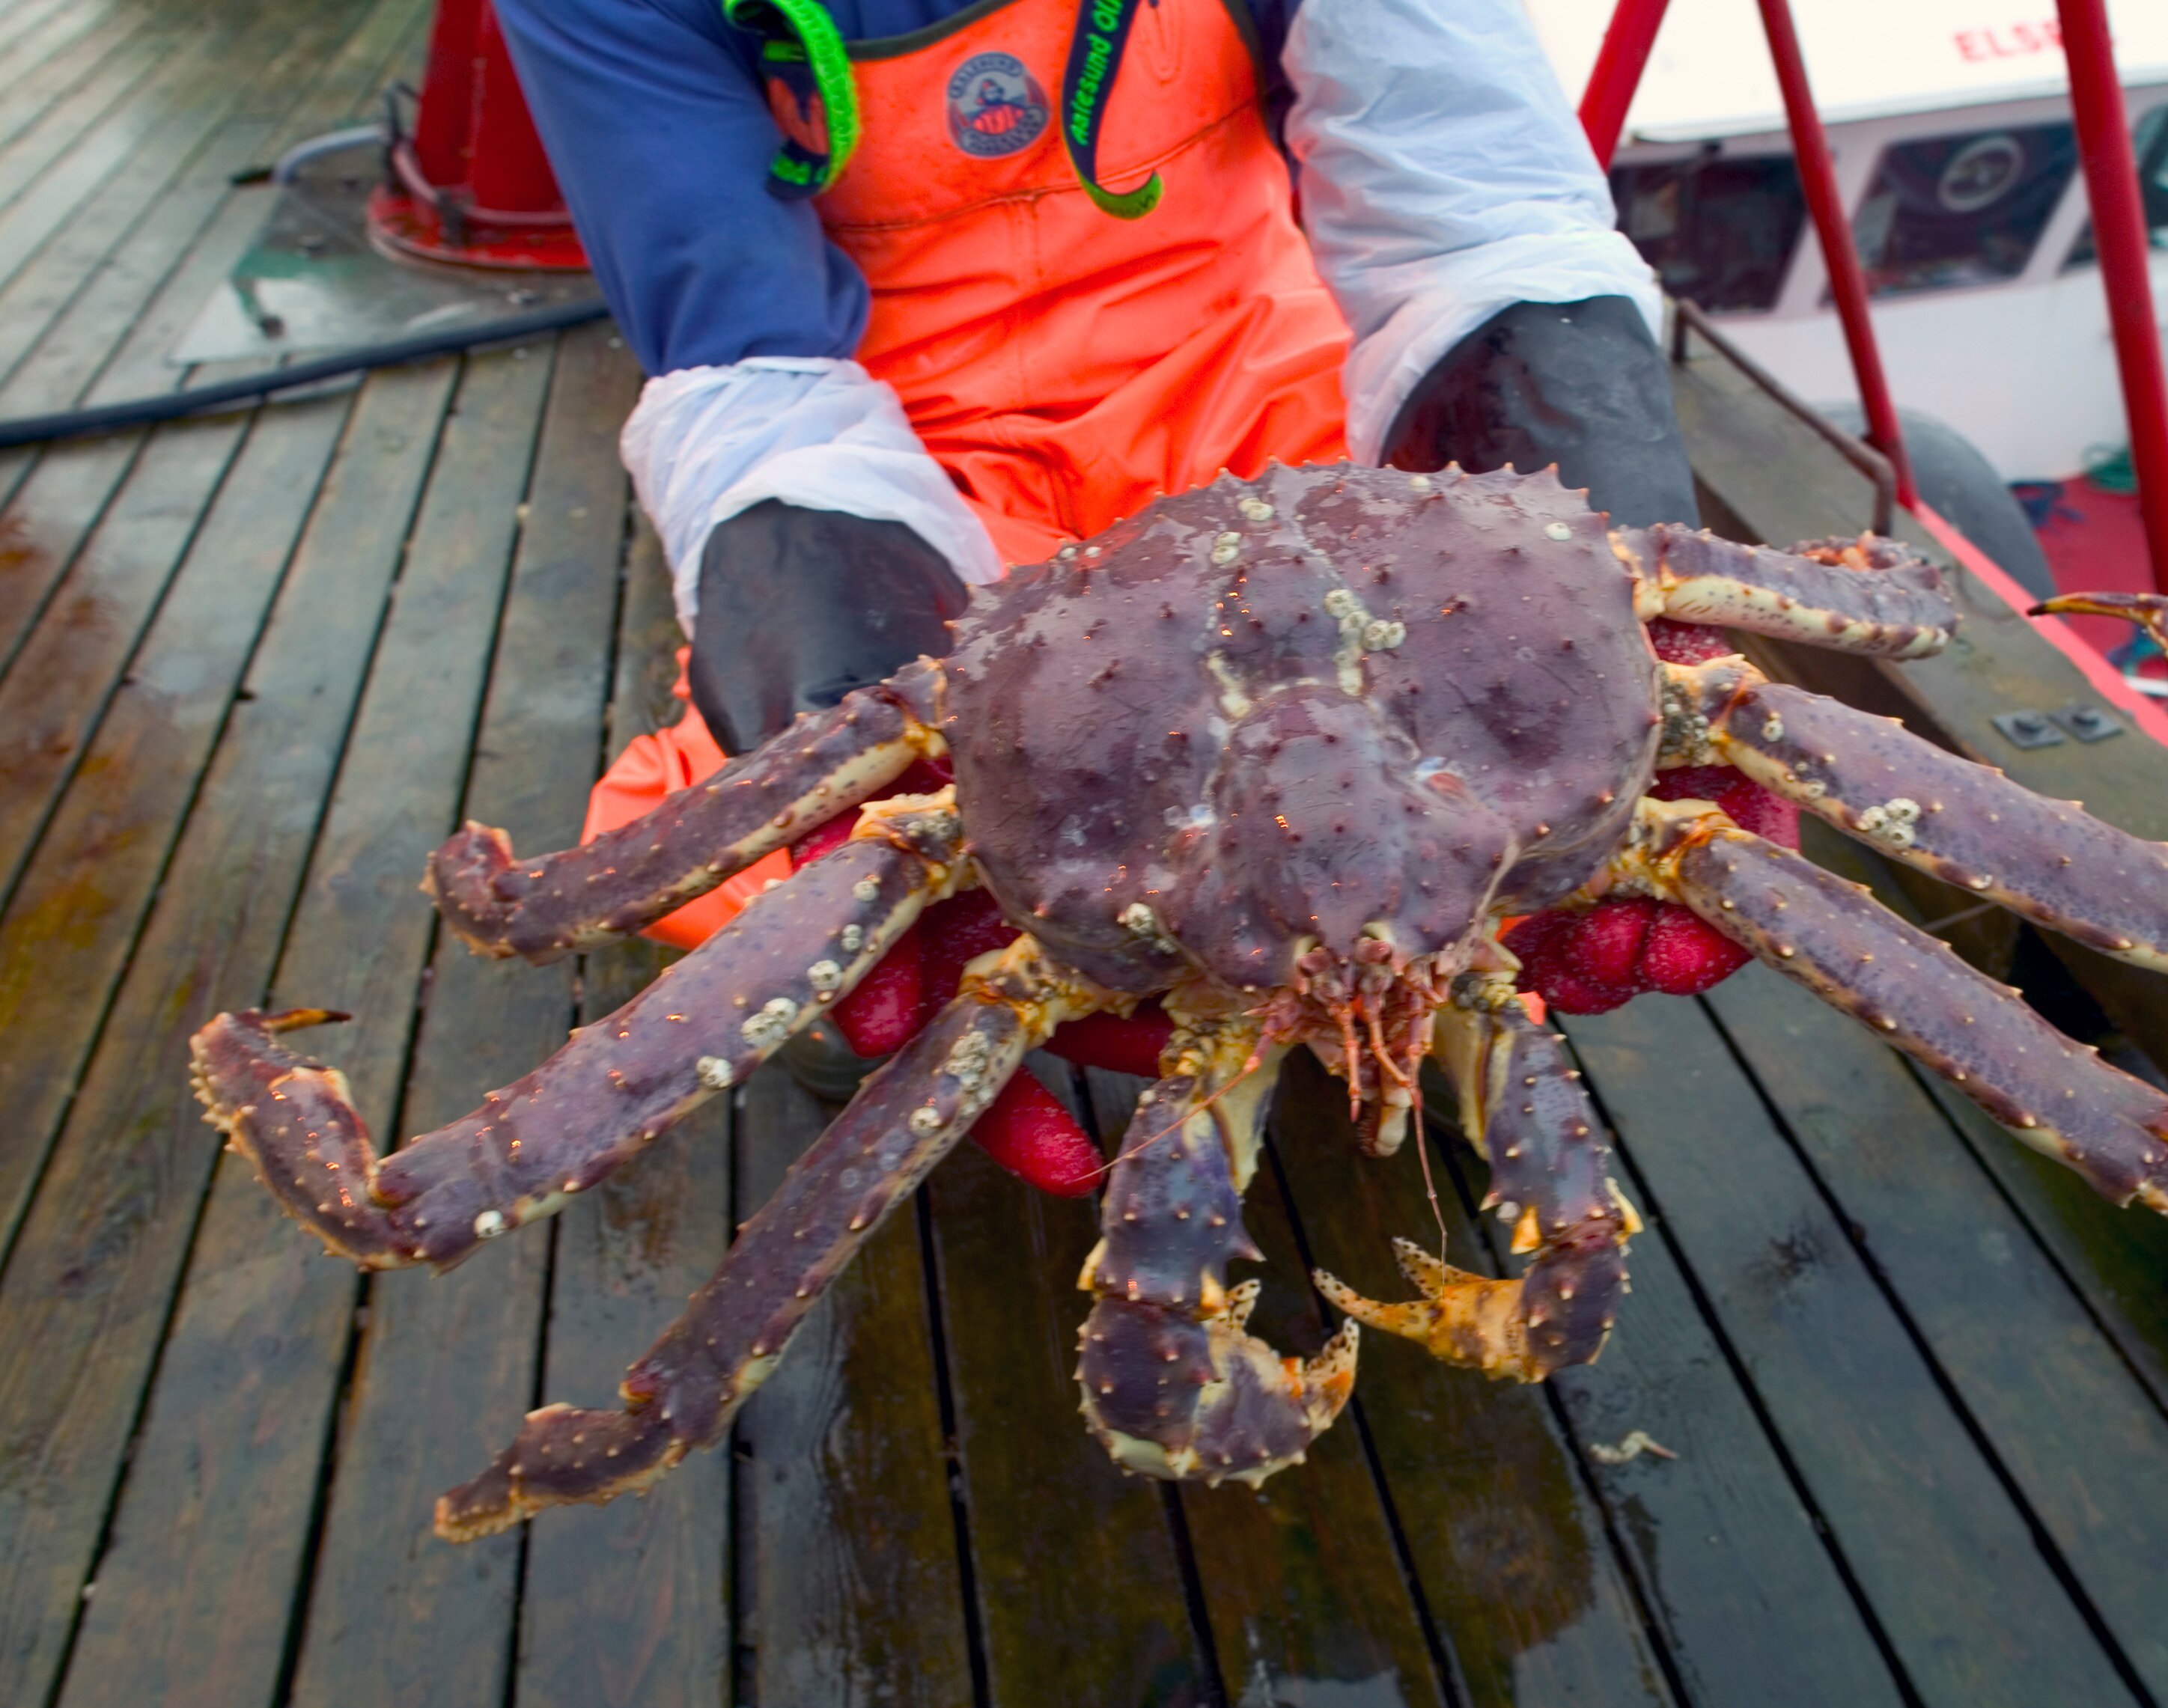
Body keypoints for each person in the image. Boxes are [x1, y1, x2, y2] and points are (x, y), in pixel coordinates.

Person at [492, 0, 1750, 1097]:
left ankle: (1425, 992)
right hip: (914, 449)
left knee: (1502, 741)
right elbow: (755, 370)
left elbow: (1475, 217)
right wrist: (844, 659)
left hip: (1261, 379)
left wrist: (1601, 583)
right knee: (807, 860)